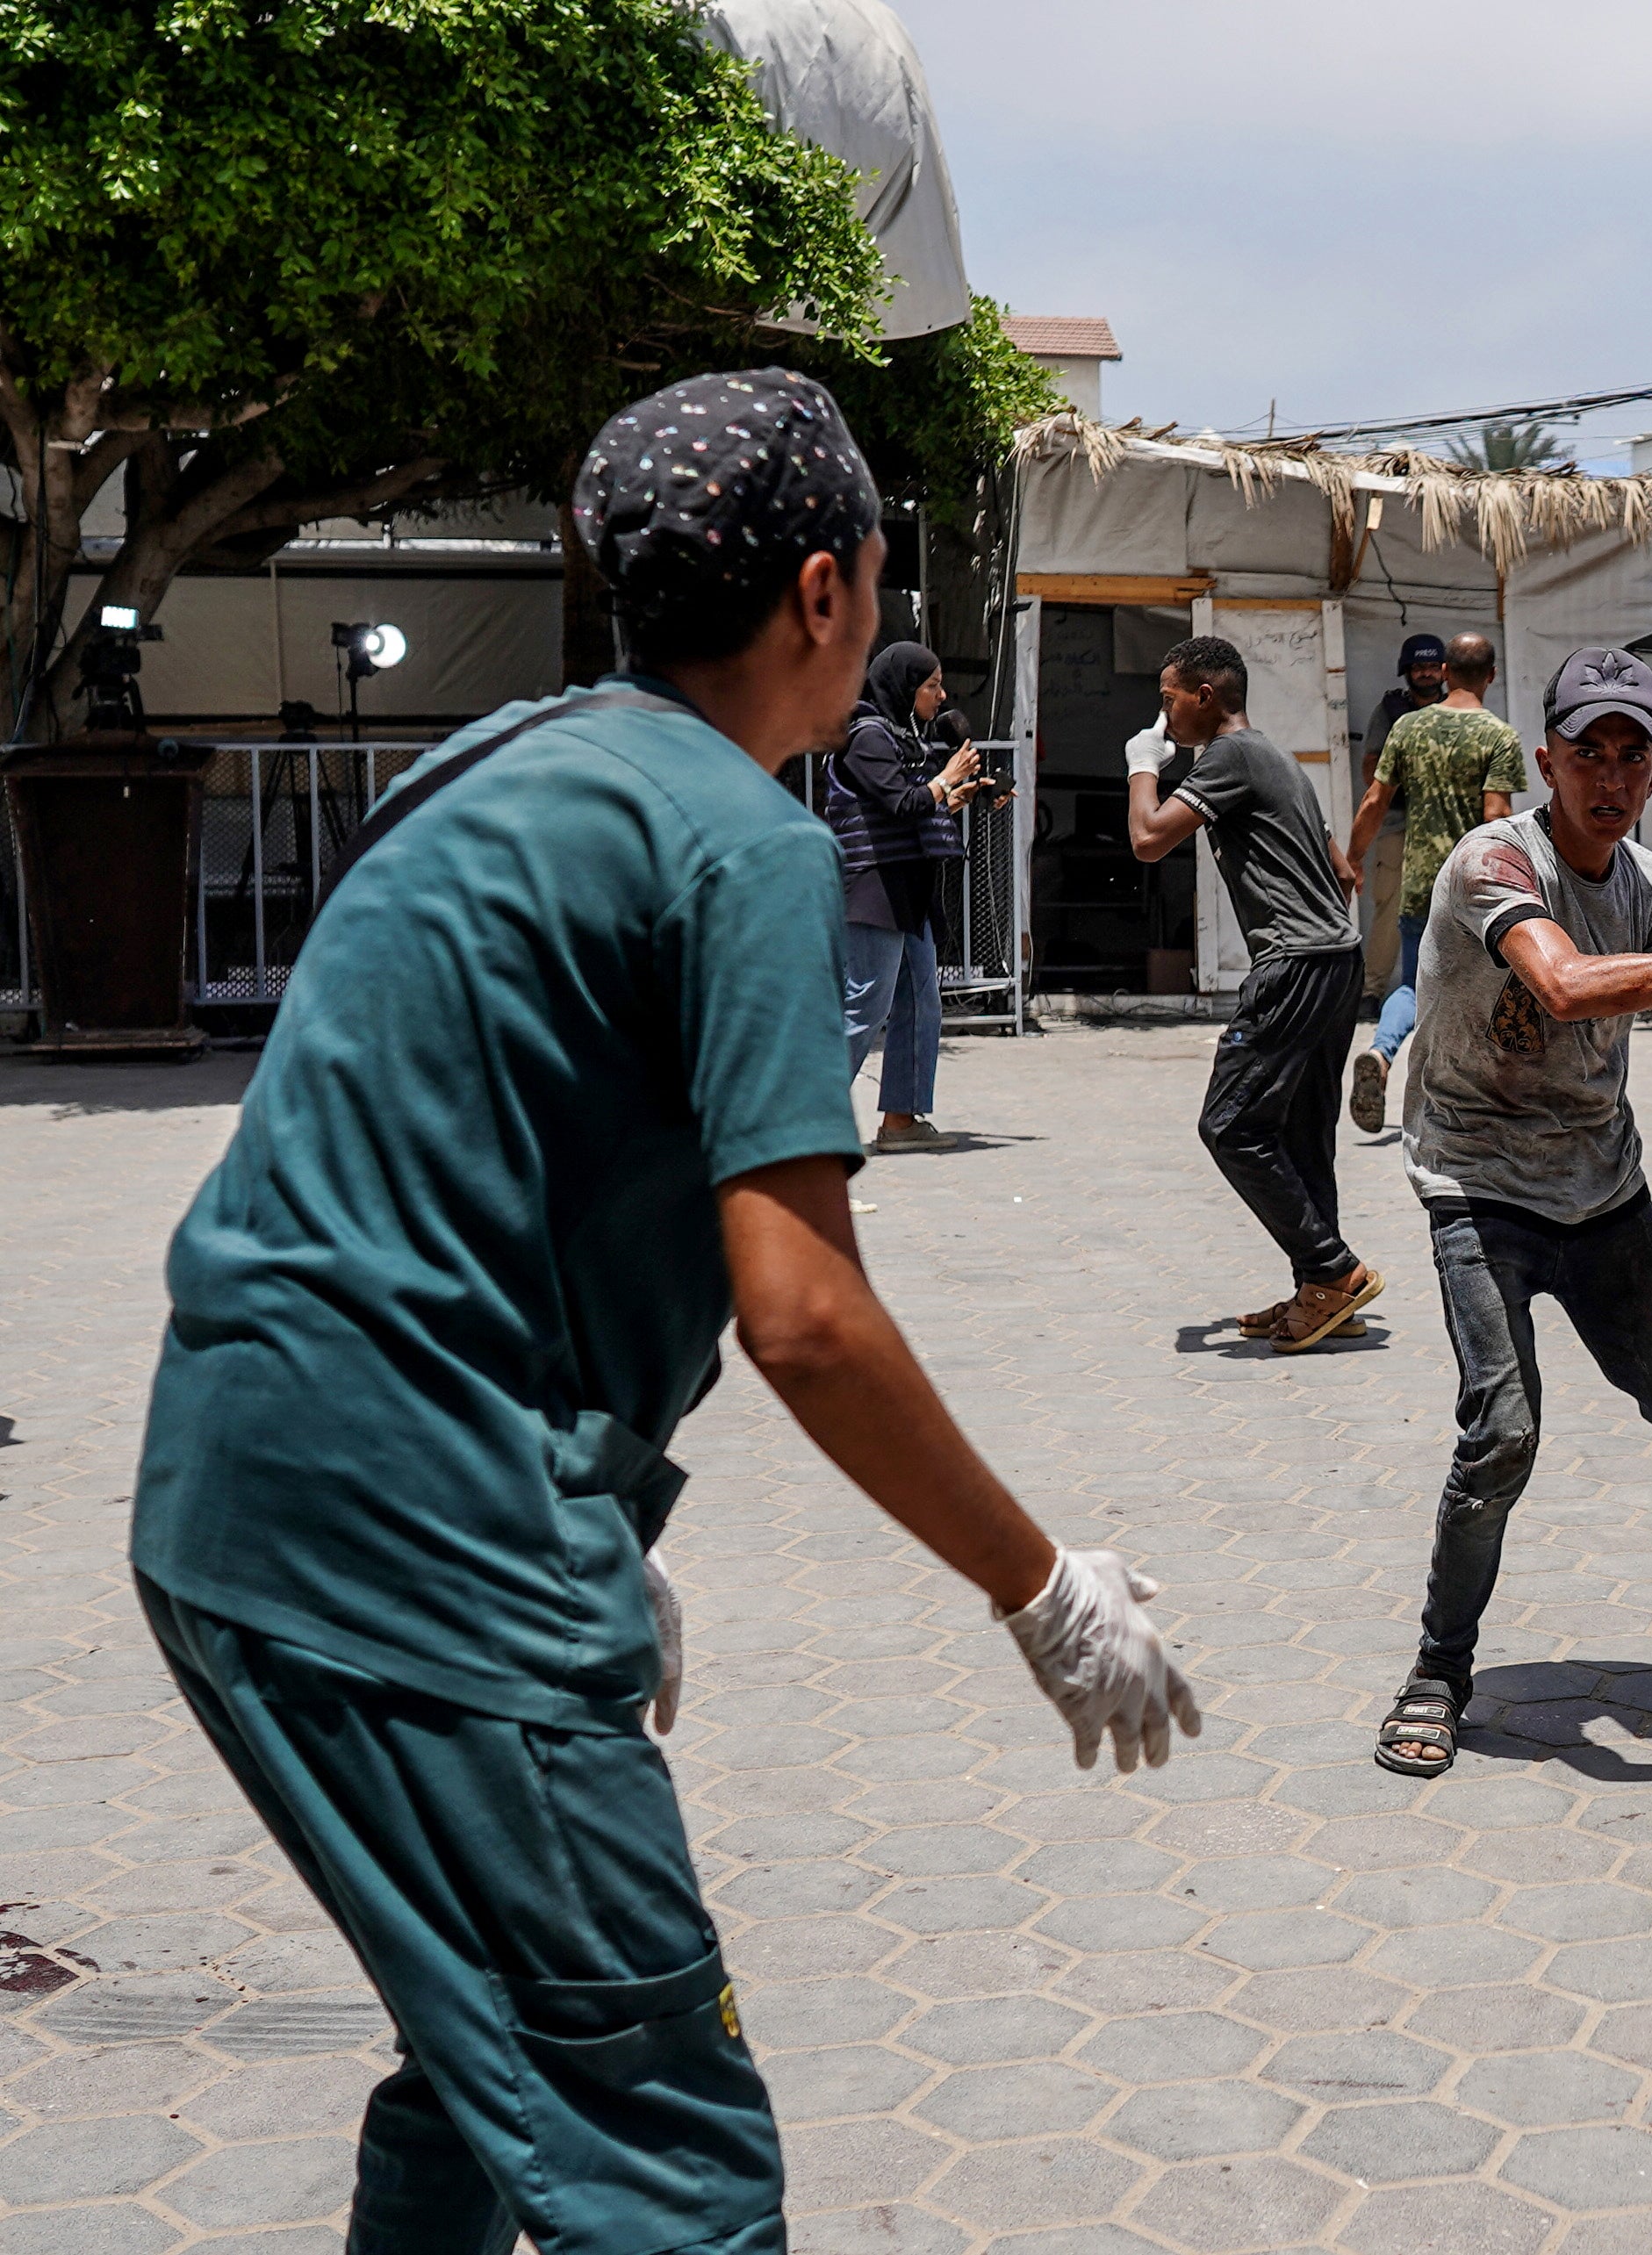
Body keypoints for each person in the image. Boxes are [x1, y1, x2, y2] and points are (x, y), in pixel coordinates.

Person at [132, 370, 1199, 2255]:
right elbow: (802, 1316)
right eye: (876, 565)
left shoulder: (484, 768)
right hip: (420, 1547)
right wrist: (1041, 1589)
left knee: (482, 2064)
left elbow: (420, 1168)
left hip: (229, 1497)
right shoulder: (745, 842)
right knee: (668, 2153)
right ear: (821, 594)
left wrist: (593, 1515)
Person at [1371, 645, 1652, 1777]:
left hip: (1602, 1185)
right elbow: (1568, 983)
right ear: (1546, 761)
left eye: (1634, 754)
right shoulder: (1493, 861)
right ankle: (1439, 1668)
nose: (1612, 776)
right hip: (1476, 1184)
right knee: (1501, 1435)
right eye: (1590, 753)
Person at [1128, 635, 1379, 1352]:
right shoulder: (1273, 755)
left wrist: (1143, 770)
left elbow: (1148, 838)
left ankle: (1336, 1270)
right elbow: (1342, 868)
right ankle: (1322, 1290)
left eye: (1169, 698)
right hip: (1336, 960)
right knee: (1300, 1133)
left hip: (1297, 965)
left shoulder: (1229, 758)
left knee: (1231, 1124)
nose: (1164, 713)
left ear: (1205, 696)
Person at [1341, 631, 1525, 1132]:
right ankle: (1470, 1100)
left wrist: (1354, 859)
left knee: (1411, 981)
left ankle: (1380, 1055)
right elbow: (1495, 817)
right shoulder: (1498, 737)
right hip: (1474, 887)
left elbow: (1375, 801)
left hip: (1422, 882)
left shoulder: (1409, 728)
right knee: (1481, 989)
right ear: (1491, 676)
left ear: (1444, 672)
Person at [827, 641, 981, 1153]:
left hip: (906, 889)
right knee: (864, 1005)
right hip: (875, 889)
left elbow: (916, 810)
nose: (940, 696)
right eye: (931, 686)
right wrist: (944, 781)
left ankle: (900, 1119)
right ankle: (801, 1121)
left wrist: (953, 797)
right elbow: (901, 803)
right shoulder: (866, 735)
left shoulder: (896, 735)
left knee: (920, 1001)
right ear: (903, 686)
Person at [1361, 631, 1450, 772]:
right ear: (1406, 671)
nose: (1427, 673)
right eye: (1418, 667)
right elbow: (1372, 763)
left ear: (1444, 670)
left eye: (1434, 666)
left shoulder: (1456, 708)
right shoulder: (1391, 709)